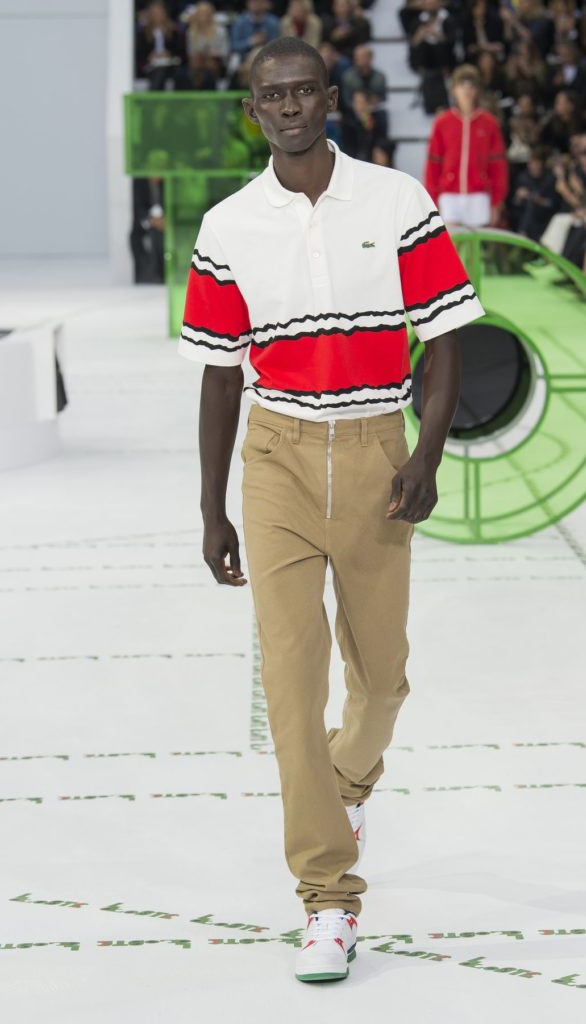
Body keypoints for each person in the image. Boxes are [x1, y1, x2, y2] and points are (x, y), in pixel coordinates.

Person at [177, 34, 485, 983]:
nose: (290, 107)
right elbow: (219, 377)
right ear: (253, 111)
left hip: (375, 453)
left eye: (305, 91)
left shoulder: (396, 201)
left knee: (382, 681)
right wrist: (212, 508)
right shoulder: (229, 225)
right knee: (291, 683)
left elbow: (445, 339)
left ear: (330, 98)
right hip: (275, 458)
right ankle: (327, 898)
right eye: (273, 96)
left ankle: (345, 782)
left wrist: (426, 453)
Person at [424, 63, 509, 227]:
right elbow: (433, 163)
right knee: (451, 242)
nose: (466, 90)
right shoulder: (442, 122)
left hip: (479, 196)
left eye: (471, 86)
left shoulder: (489, 123)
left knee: (477, 242)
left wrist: (497, 201)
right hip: (448, 195)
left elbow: (498, 165)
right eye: (461, 85)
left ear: (477, 90)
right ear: (454, 90)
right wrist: (432, 198)